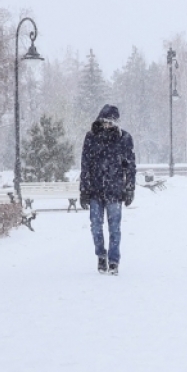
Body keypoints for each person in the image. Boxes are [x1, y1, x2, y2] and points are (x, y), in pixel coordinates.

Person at [79, 104, 136, 275]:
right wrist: (84, 189)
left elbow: (130, 166)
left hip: (115, 190)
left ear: (116, 123)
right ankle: (101, 255)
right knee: (95, 225)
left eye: (111, 122)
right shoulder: (91, 138)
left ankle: (113, 260)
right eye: (105, 122)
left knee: (114, 228)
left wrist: (129, 188)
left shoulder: (124, 139)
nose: (107, 126)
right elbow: (85, 165)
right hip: (96, 189)